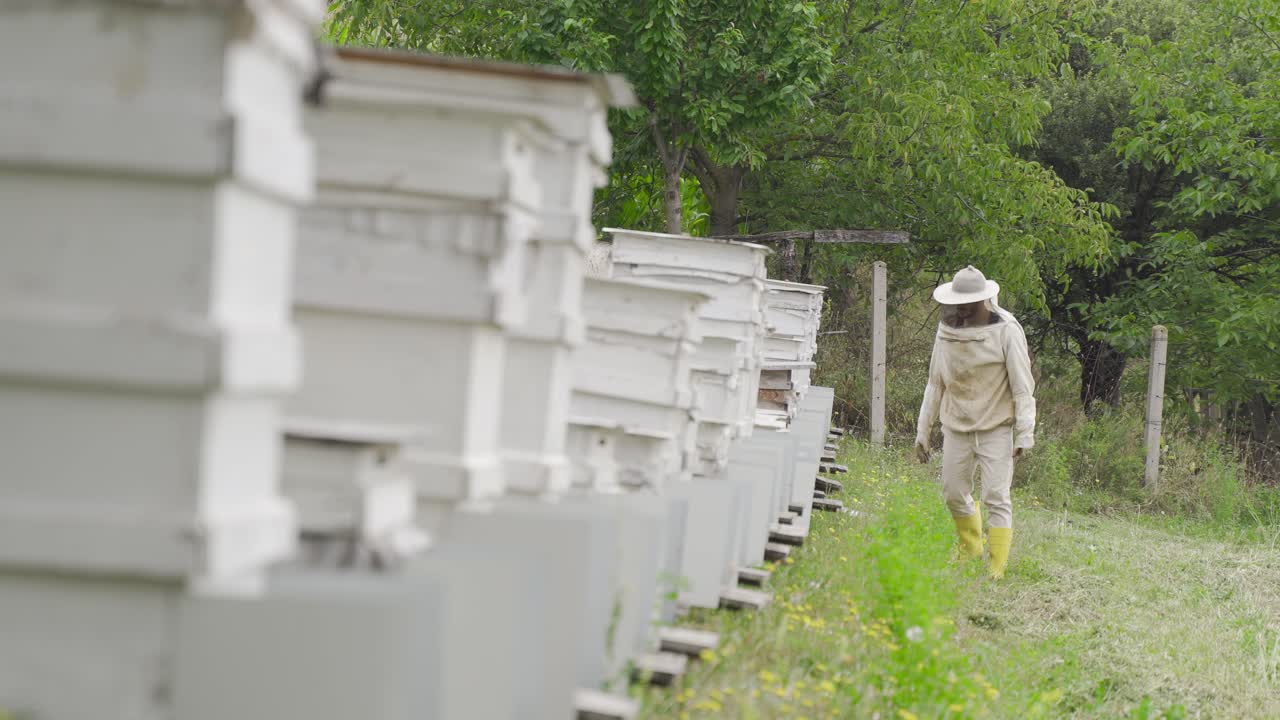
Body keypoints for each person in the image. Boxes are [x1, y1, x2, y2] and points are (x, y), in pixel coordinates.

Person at [915, 265, 1036, 579]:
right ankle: (970, 548)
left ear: (984, 300)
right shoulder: (946, 330)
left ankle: (997, 565)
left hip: (997, 426)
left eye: (966, 304)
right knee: (953, 492)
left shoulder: (1007, 329)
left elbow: (1023, 385)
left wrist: (1025, 433)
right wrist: (922, 430)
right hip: (956, 423)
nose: (960, 310)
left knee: (996, 496)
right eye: (956, 304)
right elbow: (934, 382)